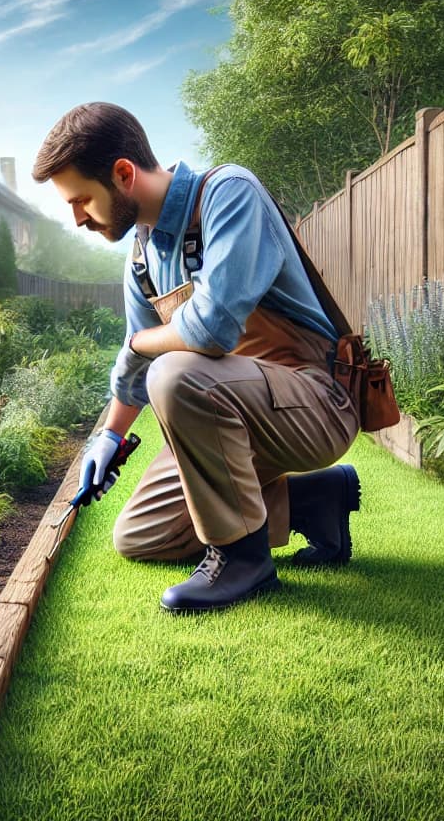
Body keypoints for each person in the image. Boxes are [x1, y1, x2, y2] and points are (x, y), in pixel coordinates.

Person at [31, 102, 363, 612]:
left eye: (81, 201)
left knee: (176, 369)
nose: (77, 219)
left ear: (123, 174)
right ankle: (313, 502)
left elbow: (209, 330)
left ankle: (243, 560)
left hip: (312, 403)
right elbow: (137, 362)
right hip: (228, 411)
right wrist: (109, 436)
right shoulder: (142, 255)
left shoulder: (229, 193)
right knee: (141, 534)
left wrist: (143, 344)